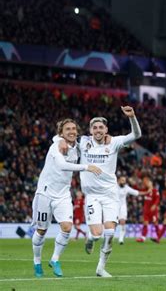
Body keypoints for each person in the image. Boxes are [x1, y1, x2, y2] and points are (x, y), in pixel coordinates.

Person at [59, 106, 141, 277]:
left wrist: (132, 117)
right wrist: (58, 140)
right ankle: (91, 238)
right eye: (94, 127)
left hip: (110, 194)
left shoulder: (114, 142)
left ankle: (101, 268)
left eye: (101, 127)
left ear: (106, 130)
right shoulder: (83, 142)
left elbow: (136, 135)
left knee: (110, 233)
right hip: (92, 196)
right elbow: (63, 135)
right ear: (90, 130)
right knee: (97, 235)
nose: (98, 130)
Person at [31, 119, 101, 278]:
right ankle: (37, 261)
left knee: (67, 227)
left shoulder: (78, 147)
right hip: (45, 193)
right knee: (41, 230)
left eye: (74, 129)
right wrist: (86, 167)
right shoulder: (56, 145)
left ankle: (55, 260)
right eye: (67, 129)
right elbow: (62, 165)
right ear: (61, 133)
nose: (72, 131)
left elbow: (94, 140)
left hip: (63, 194)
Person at [117, 175, 150, 245]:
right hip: (113, 207)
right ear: (118, 180)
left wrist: (146, 192)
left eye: (125, 180)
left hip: (122, 207)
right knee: (112, 223)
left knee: (122, 222)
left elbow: (137, 192)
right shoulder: (113, 186)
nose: (124, 182)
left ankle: (121, 239)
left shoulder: (126, 188)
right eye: (122, 180)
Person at [136, 176, 160, 243]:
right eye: (147, 183)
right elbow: (139, 191)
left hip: (153, 211)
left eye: (149, 183)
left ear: (151, 184)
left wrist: (154, 205)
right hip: (146, 210)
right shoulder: (145, 190)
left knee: (155, 223)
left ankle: (158, 237)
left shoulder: (155, 191)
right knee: (145, 223)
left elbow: (157, 199)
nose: (147, 184)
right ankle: (143, 238)